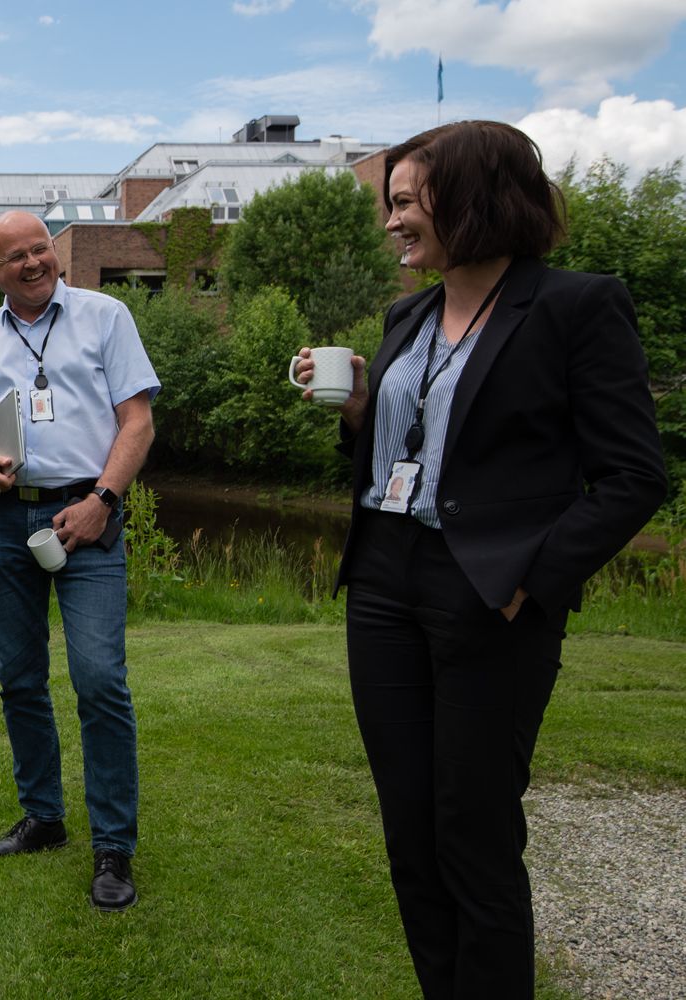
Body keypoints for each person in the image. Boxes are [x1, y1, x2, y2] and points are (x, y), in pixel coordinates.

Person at [294, 121, 665, 998]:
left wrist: (527, 580)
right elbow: (413, 446)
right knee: (409, 834)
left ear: (472, 199)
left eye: (404, 203)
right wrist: (355, 412)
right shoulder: (406, 313)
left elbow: (632, 476)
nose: (390, 223)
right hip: (382, 580)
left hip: (488, 592)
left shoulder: (576, 306)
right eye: (389, 205)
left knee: (474, 835)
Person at [0, 211, 159, 911]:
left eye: (41, 250)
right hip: (6, 521)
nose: (33, 263)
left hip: (86, 518)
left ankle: (113, 846)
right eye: (16, 256)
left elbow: (138, 420)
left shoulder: (105, 316)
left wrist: (103, 499)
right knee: (19, 678)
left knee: (98, 679)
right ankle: (44, 818)